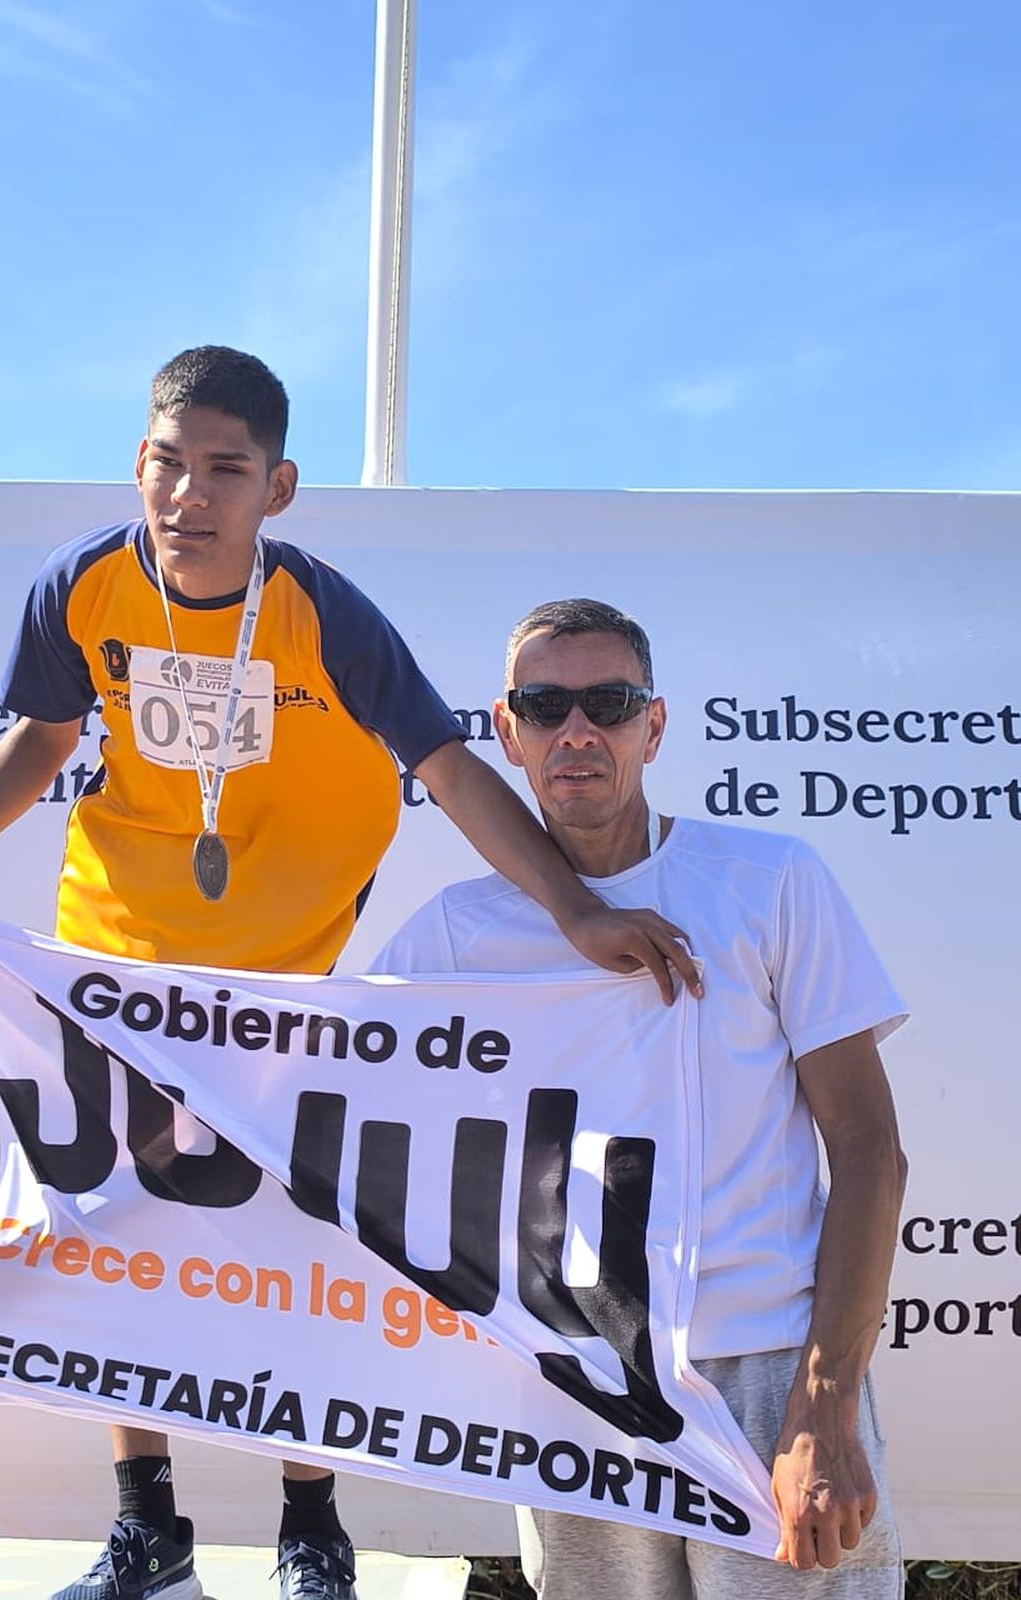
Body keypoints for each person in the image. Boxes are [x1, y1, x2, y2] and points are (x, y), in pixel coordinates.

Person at [0, 352, 700, 1600]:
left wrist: (573, 907)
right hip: (123, 954)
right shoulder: (82, 585)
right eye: (167, 461)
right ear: (138, 463)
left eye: (224, 470)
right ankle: (148, 1521)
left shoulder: (326, 613)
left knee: (293, 1239)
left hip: (282, 977)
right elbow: (43, 733)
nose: (188, 493)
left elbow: (453, 770)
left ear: (279, 488)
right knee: (108, 1230)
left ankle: (315, 1523)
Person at [371, 597, 910, 1599]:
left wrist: (823, 1407)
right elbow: (305, 1092)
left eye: (607, 702)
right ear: (508, 731)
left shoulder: (770, 881)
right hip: (579, 1388)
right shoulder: (455, 933)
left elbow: (872, 1151)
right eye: (544, 704)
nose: (576, 730)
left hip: (767, 1377)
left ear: (652, 725)